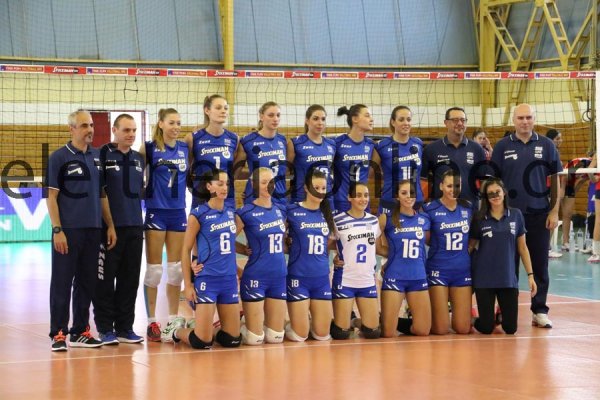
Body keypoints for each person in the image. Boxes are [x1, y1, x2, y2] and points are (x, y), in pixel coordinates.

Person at [46, 110, 117, 351]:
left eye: (91, 125)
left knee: (87, 282)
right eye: (84, 125)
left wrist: (110, 225)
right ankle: (58, 333)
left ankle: (80, 331)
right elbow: (51, 197)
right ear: (72, 129)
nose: (90, 130)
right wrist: (57, 230)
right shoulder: (59, 157)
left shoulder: (97, 157)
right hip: (68, 231)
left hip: (93, 230)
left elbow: (102, 195)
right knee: (62, 282)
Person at [491, 104, 562, 328]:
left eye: (529, 117)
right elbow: (493, 182)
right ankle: (506, 310)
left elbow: (556, 180)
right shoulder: (502, 146)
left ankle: (539, 310)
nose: (525, 121)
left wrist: (554, 211)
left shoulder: (547, 145)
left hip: (538, 214)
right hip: (508, 217)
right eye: (520, 118)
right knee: (507, 266)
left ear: (534, 119)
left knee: (540, 265)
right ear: (513, 120)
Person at [164, 169, 241, 349]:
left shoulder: (231, 213)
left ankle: (201, 327)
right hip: (208, 280)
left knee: (233, 340)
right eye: (219, 184)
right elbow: (185, 250)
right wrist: (188, 284)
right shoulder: (198, 214)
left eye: (227, 184)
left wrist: (243, 253)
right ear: (209, 186)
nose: (224, 188)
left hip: (229, 280)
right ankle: (175, 330)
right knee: (202, 342)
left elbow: (227, 242)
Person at [93, 114, 145, 345]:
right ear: (114, 130)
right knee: (104, 280)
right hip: (109, 229)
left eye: (133, 130)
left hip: (135, 227)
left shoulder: (138, 158)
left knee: (129, 280)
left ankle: (125, 328)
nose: (131, 134)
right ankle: (105, 329)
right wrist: (110, 225)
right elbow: (100, 192)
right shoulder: (102, 154)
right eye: (126, 130)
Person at [139, 108, 189, 342]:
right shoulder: (148, 148)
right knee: (154, 270)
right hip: (156, 212)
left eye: (178, 123)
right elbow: (135, 176)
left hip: (178, 212)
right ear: (160, 123)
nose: (176, 127)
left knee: (176, 270)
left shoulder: (185, 149)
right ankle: (152, 322)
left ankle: (173, 319)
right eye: (171, 122)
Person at [469, 178, 537, 334]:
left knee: (510, 329)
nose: (495, 196)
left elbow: (523, 248)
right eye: (490, 194)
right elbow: (470, 247)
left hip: (507, 279)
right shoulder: (479, 218)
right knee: (486, 328)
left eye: (497, 192)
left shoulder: (516, 215)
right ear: (486, 197)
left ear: (504, 192)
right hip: (484, 280)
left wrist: (531, 276)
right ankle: (472, 319)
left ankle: (500, 316)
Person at [236, 167, 287, 345]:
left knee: (275, 337)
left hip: (279, 277)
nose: (267, 186)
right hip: (256, 276)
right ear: (254, 185)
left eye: (270, 182)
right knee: (254, 339)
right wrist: (242, 251)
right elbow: (225, 242)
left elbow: (286, 241)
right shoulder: (245, 212)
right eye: (263, 182)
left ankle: (256, 321)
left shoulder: (281, 210)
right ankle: (234, 328)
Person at [285, 171, 336, 341]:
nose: (320, 192)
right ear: (306, 188)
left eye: (323, 188)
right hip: (298, 278)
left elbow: (331, 242)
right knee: (300, 335)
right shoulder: (292, 210)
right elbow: (278, 237)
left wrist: (339, 257)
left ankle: (303, 320)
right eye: (316, 188)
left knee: (322, 335)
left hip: (321, 279)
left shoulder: (327, 213)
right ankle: (283, 325)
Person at [377, 180, 432, 337]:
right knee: (388, 333)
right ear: (397, 196)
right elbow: (377, 246)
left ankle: (394, 321)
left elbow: (429, 244)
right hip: (395, 277)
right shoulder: (386, 218)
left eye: (411, 193)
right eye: (404, 193)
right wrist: (394, 255)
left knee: (423, 330)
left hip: (418, 277)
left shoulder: (424, 219)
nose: (409, 196)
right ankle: (373, 322)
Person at [423, 170, 473, 335]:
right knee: (441, 329)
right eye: (449, 186)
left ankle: (470, 317)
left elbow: (474, 235)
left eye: (457, 186)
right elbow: (427, 239)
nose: (453, 190)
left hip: (462, 270)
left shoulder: (468, 207)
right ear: (441, 186)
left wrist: (468, 249)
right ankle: (414, 319)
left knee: (462, 328)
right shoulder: (430, 209)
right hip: (438, 269)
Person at [331, 182, 381, 340]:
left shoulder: (374, 221)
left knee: (373, 332)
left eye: (366, 195)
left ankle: (355, 321)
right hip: (345, 279)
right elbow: (328, 244)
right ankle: (342, 321)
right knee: (341, 333)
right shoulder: (338, 220)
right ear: (349, 198)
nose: (363, 199)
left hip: (366, 280)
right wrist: (336, 256)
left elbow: (377, 247)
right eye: (358, 195)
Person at [421, 107, 487, 205]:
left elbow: (483, 180)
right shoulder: (431, 149)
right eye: (455, 120)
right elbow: (423, 180)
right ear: (446, 123)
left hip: (470, 207)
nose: (460, 123)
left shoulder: (477, 149)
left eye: (463, 120)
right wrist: (422, 203)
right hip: (441, 208)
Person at [185, 94, 239, 209]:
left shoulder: (234, 139)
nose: (223, 111)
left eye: (225, 108)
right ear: (207, 110)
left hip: (225, 197)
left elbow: (235, 168)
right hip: (202, 197)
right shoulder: (194, 138)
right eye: (218, 108)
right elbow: (186, 168)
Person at [235, 102, 288, 207]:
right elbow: (236, 171)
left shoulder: (283, 140)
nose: (275, 119)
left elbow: (286, 170)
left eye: (278, 115)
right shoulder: (248, 141)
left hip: (279, 199)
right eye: (271, 115)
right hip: (256, 198)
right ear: (261, 116)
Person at [372, 105, 424, 213]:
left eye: (408, 119)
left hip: (415, 201)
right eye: (401, 119)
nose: (406, 123)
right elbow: (370, 173)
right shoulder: (382, 146)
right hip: (390, 203)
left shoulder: (418, 143)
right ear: (393, 122)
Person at [288, 104, 336, 208]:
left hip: (326, 199)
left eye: (323, 119)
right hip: (302, 198)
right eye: (315, 119)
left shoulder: (331, 144)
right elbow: (285, 171)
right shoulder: (296, 143)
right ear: (307, 120)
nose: (320, 123)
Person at [333, 105, 375, 214]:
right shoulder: (338, 143)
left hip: (362, 202)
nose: (371, 119)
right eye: (367, 116)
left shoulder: (370, 145)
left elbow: (370, 172)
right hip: (342, 202)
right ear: (355, 119)